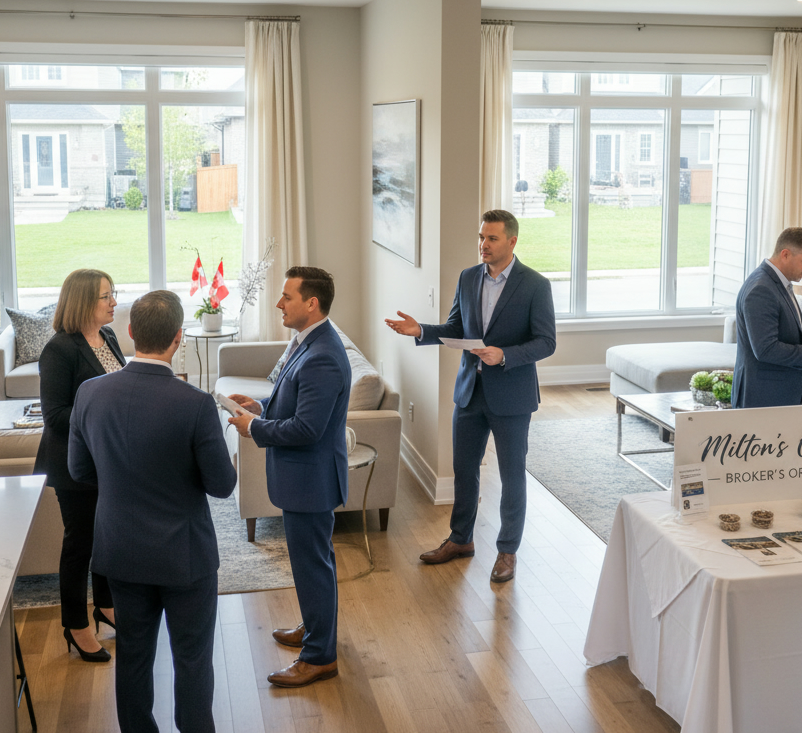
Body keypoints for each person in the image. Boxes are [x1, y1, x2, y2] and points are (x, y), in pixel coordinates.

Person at [68, 290, 236, 733]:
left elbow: (79, 470)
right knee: (193, 662)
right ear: (179, 338)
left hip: (122, 551)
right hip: (186, 557)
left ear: (129, 333)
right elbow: (222, 486)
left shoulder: (89, 394)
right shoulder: (196, 404)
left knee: (134, 659)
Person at [385, 209, 557, 584]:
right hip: (469, 392)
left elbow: (546, 342)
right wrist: (421, 330)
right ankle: (461, 540)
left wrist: (506, 355)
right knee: (464, 471)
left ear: (512, 241)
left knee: (512, 477)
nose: (483, 244)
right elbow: (455, 327)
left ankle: (507, 551)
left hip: (512, 397)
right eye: (481, 237)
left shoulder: (535, 285)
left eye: (492, 238)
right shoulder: (467, 278)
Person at [227, 267, 351, 688]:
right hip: (304, 479)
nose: (279, 304)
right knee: (313, 564)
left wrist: (253, 429)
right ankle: (316, 628)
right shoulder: (308, 342)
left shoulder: (323, 356)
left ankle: (319, 657)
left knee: (313, 566)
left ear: (311, 303)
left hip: (310, 482)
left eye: (286, 296)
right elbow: (294, 400)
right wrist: (262, 407)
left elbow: (307, 429)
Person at [34, 269, 123, 663]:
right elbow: (54, 415)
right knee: (80, 544)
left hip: (109, 460)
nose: (114, 302)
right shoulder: (59, 349)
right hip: (74, 464)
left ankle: (105, 606)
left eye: (113, 294)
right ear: (84, 301)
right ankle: (75, 625)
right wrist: (103, 416)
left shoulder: (110, 338)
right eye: (107, 296)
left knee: (107, 536)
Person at [732, 227, 802, 408]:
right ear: (785, 254)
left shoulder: (779, 284)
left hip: (777, 394)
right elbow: (766, 349)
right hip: (763, 397)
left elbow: (786, 335)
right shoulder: (761, 289)